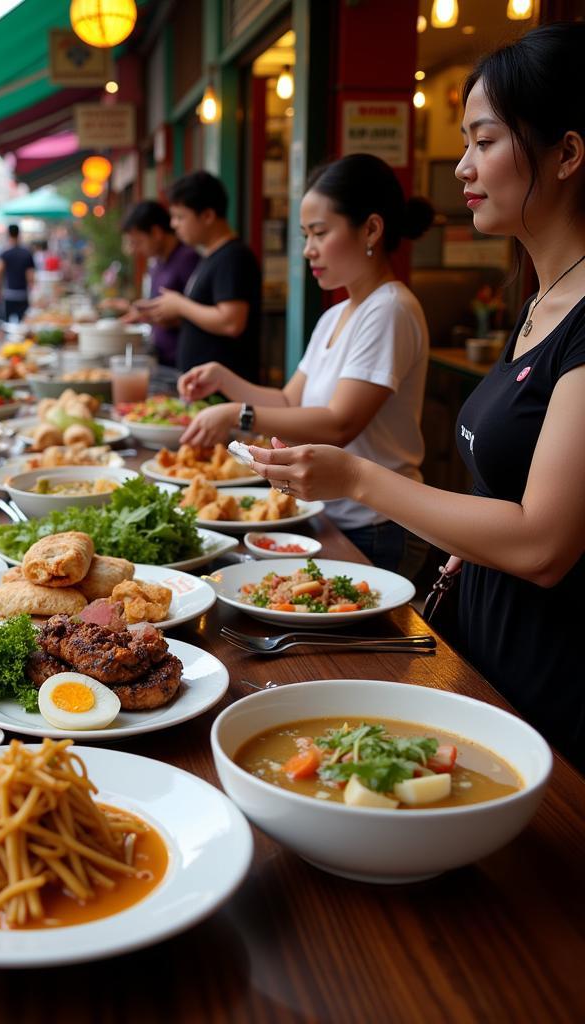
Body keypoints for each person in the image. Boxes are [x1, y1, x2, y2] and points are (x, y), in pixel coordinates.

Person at [243, 25, 585, 769]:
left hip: (558, 678)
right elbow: (511, 491)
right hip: (487, 654)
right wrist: (468, 538)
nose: (461, 166)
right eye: (464, 142)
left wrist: (359, 477)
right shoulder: (539, 303)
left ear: (567, 153)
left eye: (484, 141)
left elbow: (544, 543)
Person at [179, 154, 434, 572]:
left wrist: (238, 414)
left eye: (319, 233)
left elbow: (339, 424)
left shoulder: (389, 309)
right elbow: (286, 399)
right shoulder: (338, 313)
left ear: (371, 228)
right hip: (331, 515)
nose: (308, 250)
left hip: (376, 526)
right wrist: (223, 379)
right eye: (304, 235)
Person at [138, 171, 262, 379]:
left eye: (180, 217)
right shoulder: (210, 256)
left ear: (207, 216)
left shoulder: (233, 257)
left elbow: (231, 322)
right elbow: (205, 317)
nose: (174, 224)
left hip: (224, 392)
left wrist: (180, 305)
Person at [120, 200, 201, 378]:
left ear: (156, 232)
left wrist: (167, 317)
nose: (135, 250)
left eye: (138, 241)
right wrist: (143, 311)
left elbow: (199, 313)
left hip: (184, 362)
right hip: (162, 356)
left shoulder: (188, 258)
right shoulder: (157, 261)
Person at [0, 224, 35, 322]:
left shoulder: (5, 253)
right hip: (22, 294)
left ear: (8, 235)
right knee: (22, 323)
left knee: (7, 324)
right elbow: (30, 276)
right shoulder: (26, 253)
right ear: (19, 234)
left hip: (9, 293)